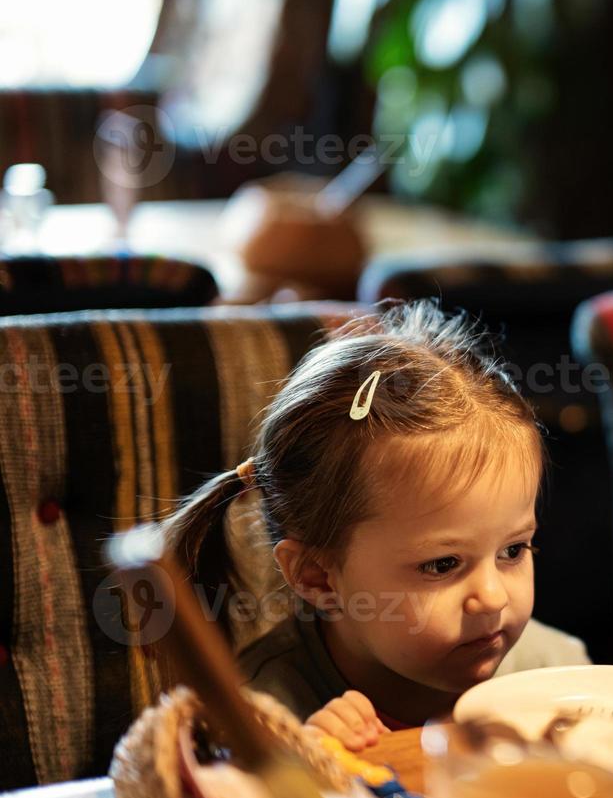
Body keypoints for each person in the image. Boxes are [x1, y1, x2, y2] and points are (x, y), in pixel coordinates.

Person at [163, 300, 587, 748]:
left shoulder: (556, 672)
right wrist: (317, 782)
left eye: (513, 550)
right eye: (443, 565)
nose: (494, 599)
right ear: (318, 577)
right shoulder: (266, 721)